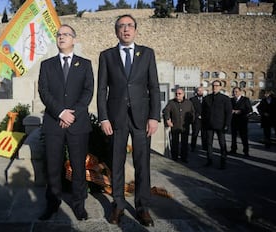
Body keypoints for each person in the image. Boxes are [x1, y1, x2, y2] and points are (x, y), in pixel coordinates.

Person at [97, 14, 160, 226]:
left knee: (142, 164)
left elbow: (154, 87)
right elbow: (101, 90)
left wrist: (154, 116)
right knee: (116, 163)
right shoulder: (106, 56)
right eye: (121, 26)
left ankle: (142, 208)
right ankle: (118, 205)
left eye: (130, 25)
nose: (126, 29)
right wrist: (103, 118)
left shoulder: (147, 54)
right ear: (116, 31)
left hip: (142, 119)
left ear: (135, 30)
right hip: (116, 119)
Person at [37, 24, 94, 221]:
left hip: (78, 125)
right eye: (59, 35)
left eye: (66, 34)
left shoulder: (85, 64)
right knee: (53, 167)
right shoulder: (47, 65)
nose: (62, 37)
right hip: (54, 123)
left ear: (74, 39)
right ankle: (52, 203)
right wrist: (61, 113)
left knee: (79, 167)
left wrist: (72, 114)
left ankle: (79, 205)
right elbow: (44, 92)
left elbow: (88, 92)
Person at [202, 80, 232, 169]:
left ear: (220, 87)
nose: (215, 87)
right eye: (213, 85)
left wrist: (227, 124)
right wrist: (204, 123)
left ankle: (223, 161)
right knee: (208, 143)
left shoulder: (225, 98)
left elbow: (228, 113)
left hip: (220, 125)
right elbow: (203, 112)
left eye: (217, 85)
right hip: (209, 125)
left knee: (222, 144)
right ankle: (209, 160)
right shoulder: (207, 98)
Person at [163, 87, 194, 162]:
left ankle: (184, 157)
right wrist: (168, 119)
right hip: (175, 125)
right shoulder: (171, 102)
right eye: (176, 94)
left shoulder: (188, 103)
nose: (177, 95)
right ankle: (175, 157)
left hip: (184, 126)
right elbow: (166, 111)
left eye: (179, 94)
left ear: (183, 94)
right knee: (174, 142)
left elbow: (192, 113)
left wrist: (190, 121)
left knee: (184, 143)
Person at [230, 87, 252, 156]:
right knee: (233, 136)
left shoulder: (245, 99)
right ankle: (233, 149)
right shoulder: (231, 100)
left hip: (242, 121)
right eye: (234, 92)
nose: (235, 93)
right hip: (233, 120)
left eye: (236, 91)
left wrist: (240, 111)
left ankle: (246, 151)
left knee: (244, 136)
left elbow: (249, 109)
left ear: (240, 92)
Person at [190, 86, 207, 152]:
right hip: (196, 120)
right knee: (195, 134)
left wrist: (204, 116)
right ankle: (193, 147)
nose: (200, 92)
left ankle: (204, 147)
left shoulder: (206, 99)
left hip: (204, 120)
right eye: (198, 91)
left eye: (201, 91)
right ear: (196, 92)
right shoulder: (192, 99)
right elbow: (191, 109)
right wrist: (197, 115)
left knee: (204, 134)